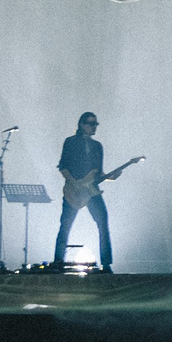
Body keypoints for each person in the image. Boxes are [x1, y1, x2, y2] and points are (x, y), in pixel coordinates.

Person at [54, 111, 121, 270]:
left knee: (103, 223)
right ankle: (57, 263)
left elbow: (99, 174)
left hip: (92, 191)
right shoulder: (70, 142)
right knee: (65, 225)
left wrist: (111, 177)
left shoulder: (98, 146)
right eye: (91, 124)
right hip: (74, 190)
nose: (94, 127)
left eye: (95, 124)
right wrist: (75, 183)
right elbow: (63, 166)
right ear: (82, 125)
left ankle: (106, 264)